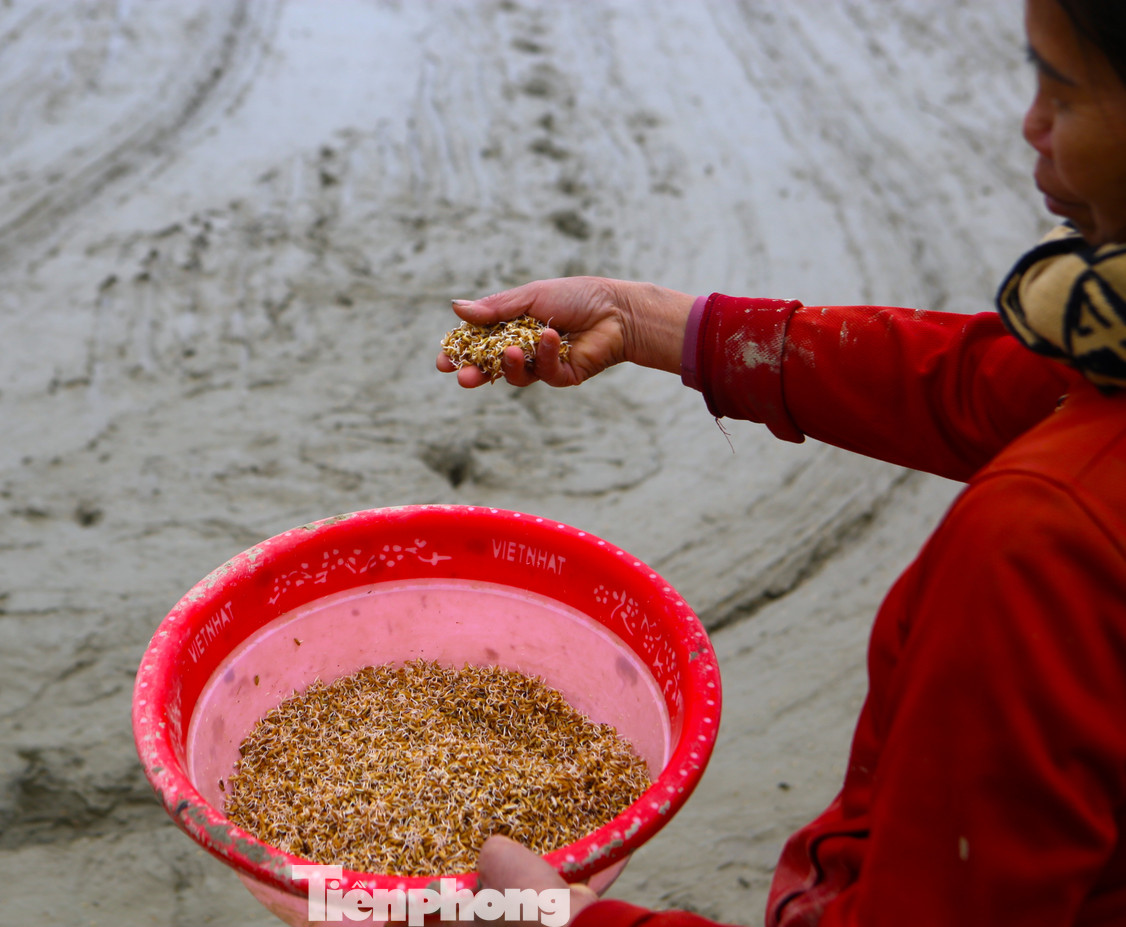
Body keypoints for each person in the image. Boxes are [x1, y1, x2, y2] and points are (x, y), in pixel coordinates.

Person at [436, 0, 1126, 924]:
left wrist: (553, 918)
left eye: (1062, 89)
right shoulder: (1097, 359)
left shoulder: (1040, 540)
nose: (1029, 123)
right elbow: (982, 383)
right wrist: (652, 322)